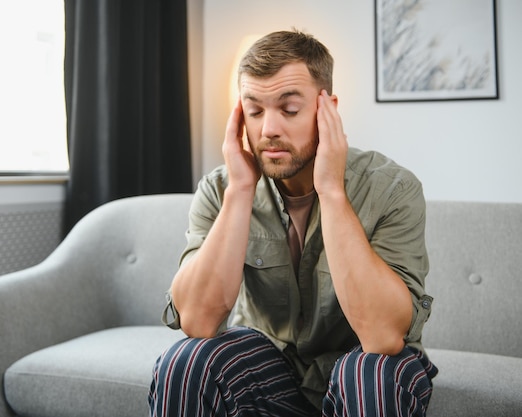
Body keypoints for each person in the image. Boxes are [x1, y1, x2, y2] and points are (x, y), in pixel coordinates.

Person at [149, 29, 438, 417]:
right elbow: (198, 321)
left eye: (288, 110)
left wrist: (332, 191)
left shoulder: (393, 188)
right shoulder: (221, 190)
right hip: (272, 368)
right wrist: (239, 191)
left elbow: (382, 336)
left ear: (327, 109)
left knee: (368, 374)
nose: (268, 129)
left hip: (367, 366)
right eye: (254, 111)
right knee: (185, 362)